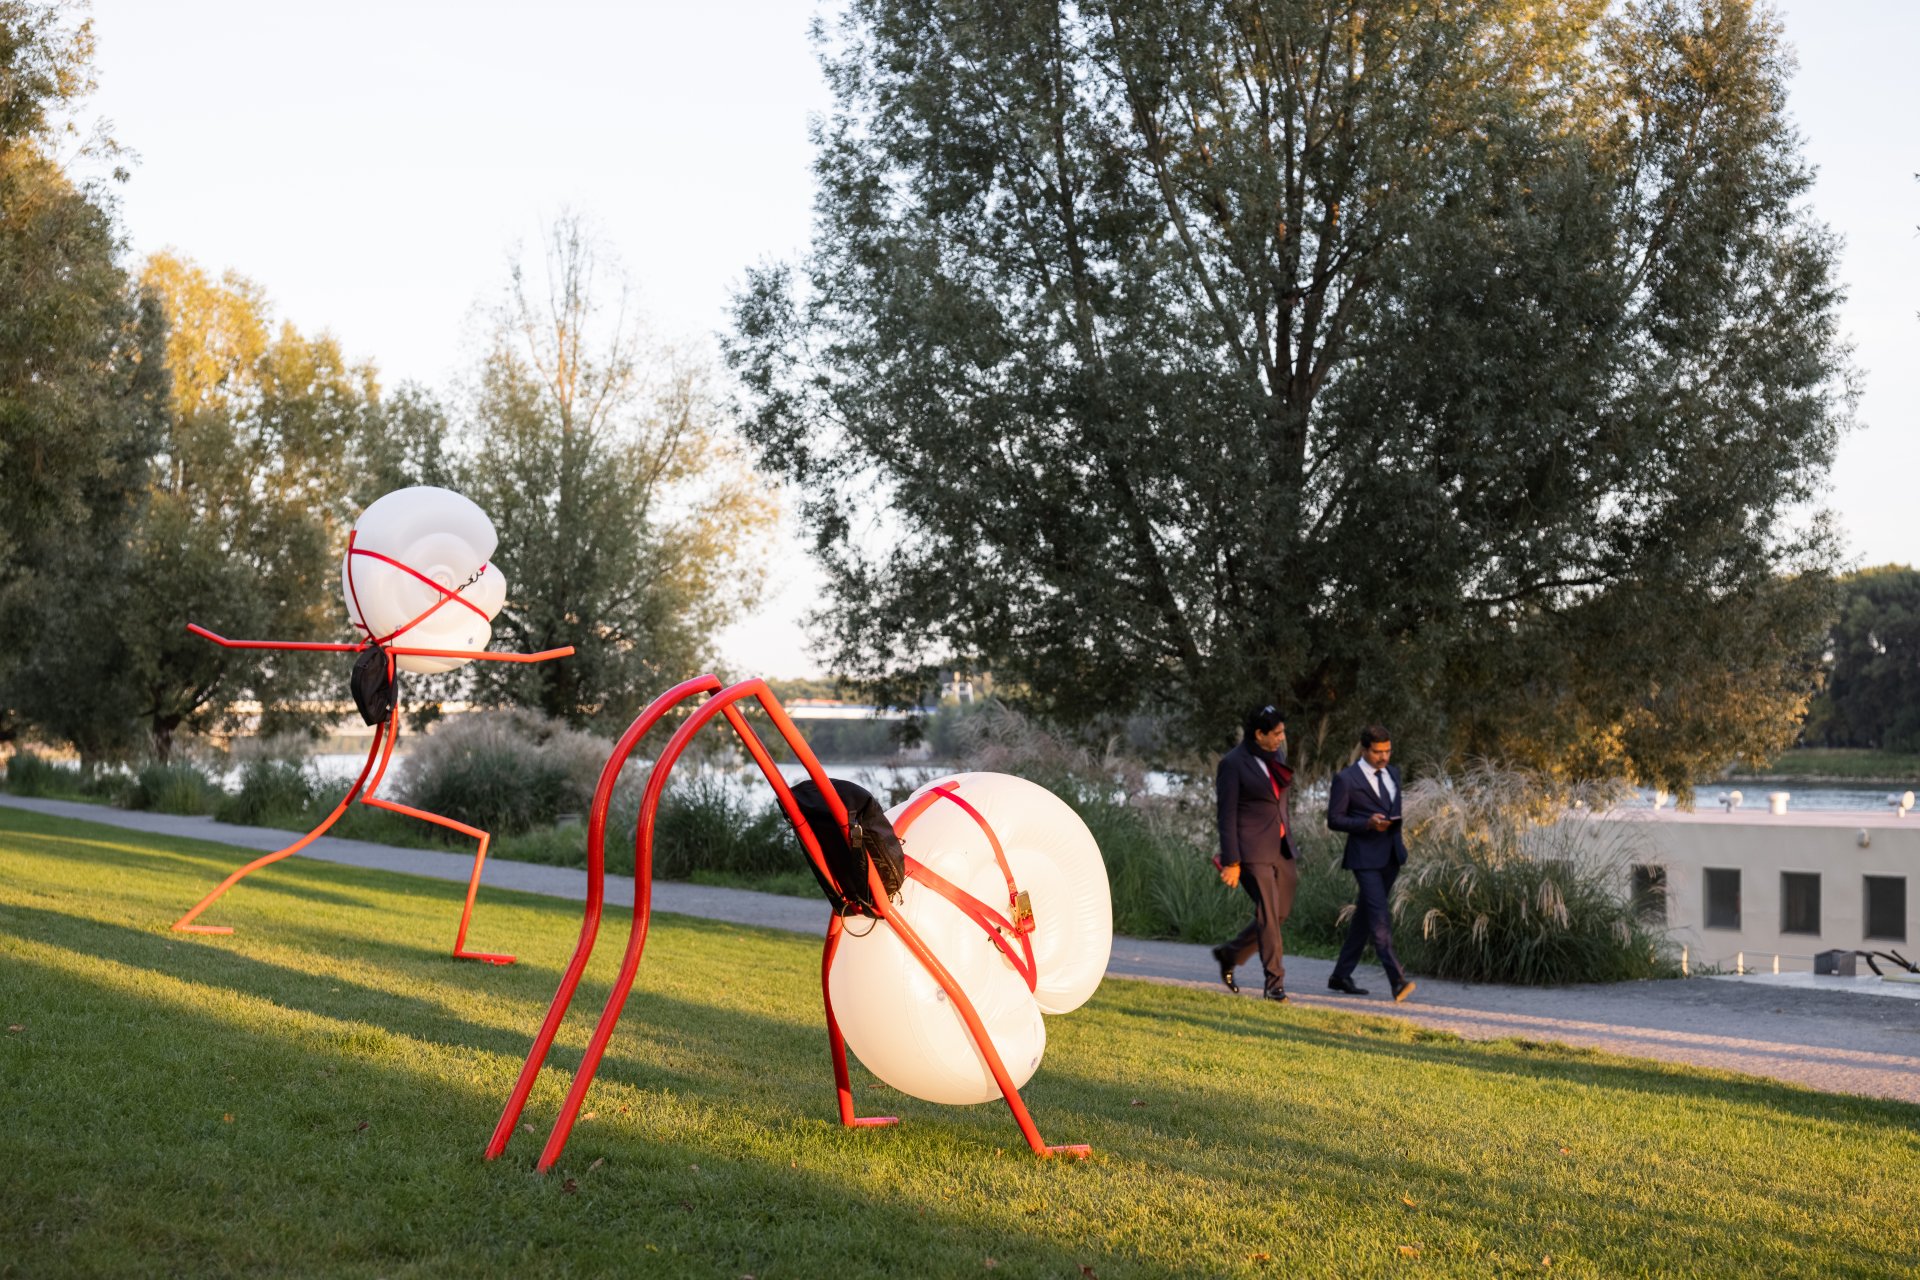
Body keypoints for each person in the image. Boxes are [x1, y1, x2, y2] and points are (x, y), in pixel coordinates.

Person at [1209, 703, 1298, 1003]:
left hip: (1281, 847)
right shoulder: (1233, 764)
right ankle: (1275, 984)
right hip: (1251, 852)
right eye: (1277, 733)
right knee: (1268, 915)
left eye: (1283, 733)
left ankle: (1230, 953)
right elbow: (1226, 815)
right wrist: (1231, 861)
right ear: (1258, 734)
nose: (1281, 739)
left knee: (1280, 911)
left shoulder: (1277, 757)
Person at [1325, 724, 1415, 1001]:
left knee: (1365, 916)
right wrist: (1366, 823)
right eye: (1378, 752)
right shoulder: (1347, 779)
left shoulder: (1394, 774)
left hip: (1391, 856)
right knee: (1379, 918)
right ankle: (1396, 980)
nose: (1384, 757)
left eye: (1387, 751)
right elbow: (1334, 819)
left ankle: (1340, 975)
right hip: (1364, 858)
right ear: (1364, 750)